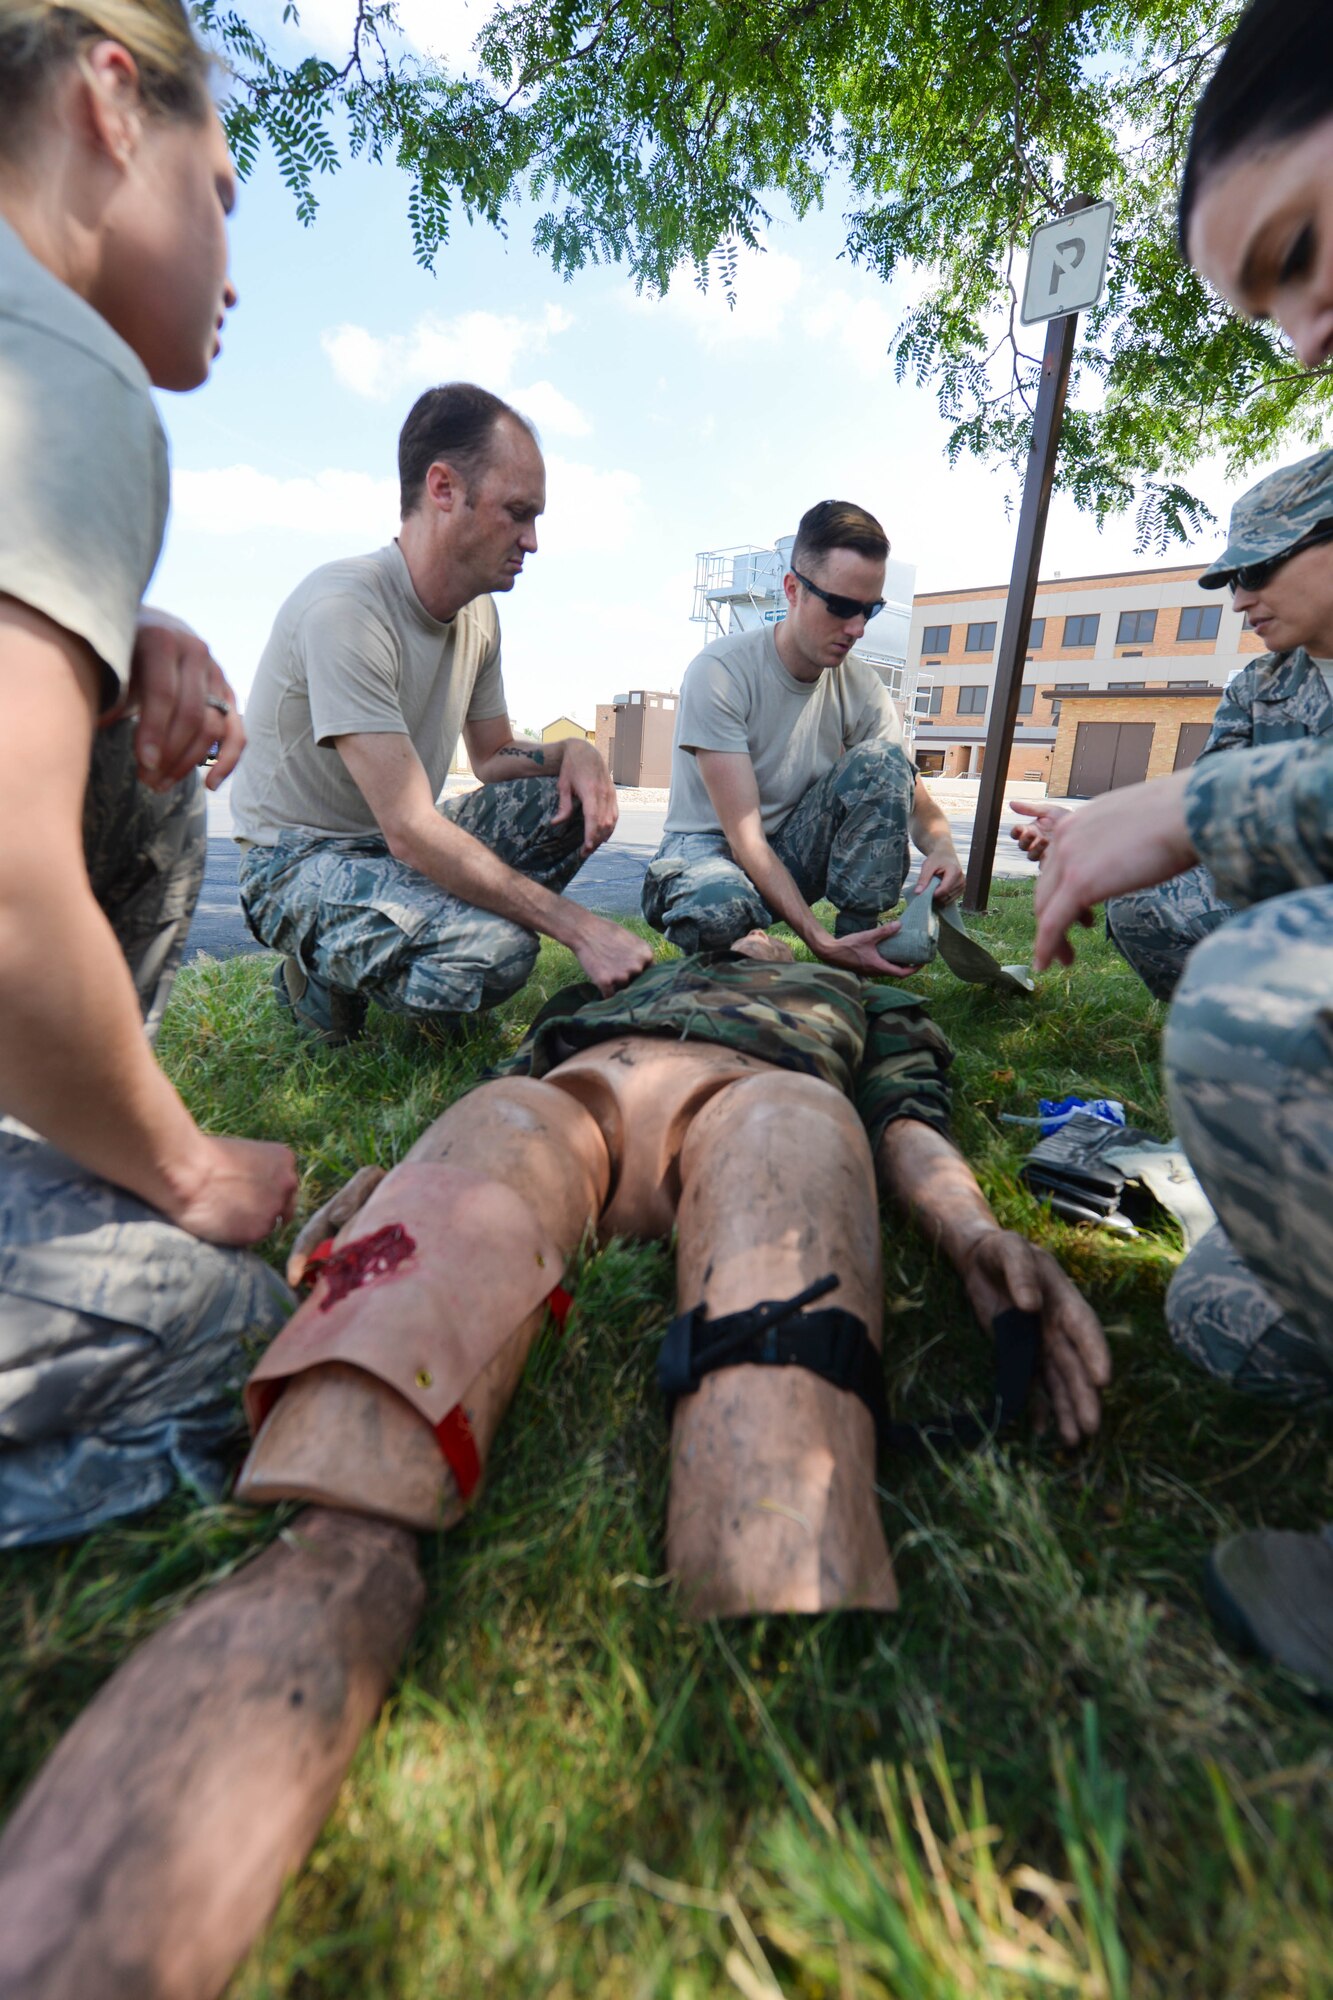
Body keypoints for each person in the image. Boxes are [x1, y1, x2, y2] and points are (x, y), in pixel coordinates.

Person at [0, 951, 1110, 1993]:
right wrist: (396, 1183)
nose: (751, 923)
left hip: (764, 1100)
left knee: (773, 1490)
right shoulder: (621, 970)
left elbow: (906, 1121)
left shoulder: (860, 994)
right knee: (344, 1502)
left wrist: (968, 1231)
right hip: (555, 1108)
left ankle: (780, 1813)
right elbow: (499, 1084)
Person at [1033, 0, 1333, 1692]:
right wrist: (1116, 827)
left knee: (1245, 1000)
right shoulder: (1267, 682)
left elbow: (1224, 836)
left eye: (1298, 254)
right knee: (1212, 1304)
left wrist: (1187, 817)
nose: (1298, 340)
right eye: (1257, 304)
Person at [0, 0, 299, 1549]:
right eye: (223, 193)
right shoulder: (61, 365)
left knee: (149, 767)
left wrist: (121, 628)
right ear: (113, 105)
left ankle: (54, 1167)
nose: (233, 269)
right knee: (238, 1327)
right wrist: (181, 1172)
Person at [229, 383, 652, 1043]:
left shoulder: (478, 614)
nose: (532, 540)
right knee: (499, 952)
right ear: (443, 488)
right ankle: (319, 976)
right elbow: (409, 828)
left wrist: (570, 754)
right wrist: (579, 928)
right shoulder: (346, 610)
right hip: (296, 861)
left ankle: (419, 951)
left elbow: (491, 758)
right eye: (517, 512)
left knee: (556, 802)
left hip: (392, 851)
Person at [1011, 453, 1333, 1000]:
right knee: (1145, 901)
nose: (1238, 601)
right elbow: (1211, 816)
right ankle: (1252, 1038)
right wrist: (1104, 826)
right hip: (1294, 898)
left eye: (1255, 570)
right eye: (1233, 580)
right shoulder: (1258, 685)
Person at [642, 500, 964, 977]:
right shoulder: (721, 672)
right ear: (793, 589)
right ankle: (756, 947)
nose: (856, 629)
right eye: (840, 607)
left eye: (869, 610)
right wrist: (818, 940)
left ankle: (865, 943)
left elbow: (915, 799)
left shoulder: (861, 687)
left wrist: (942, 848)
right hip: (709, 853)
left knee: (883, 762)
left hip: (789, 853)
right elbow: (745, 838)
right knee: (718, 911)